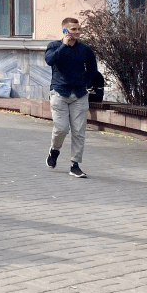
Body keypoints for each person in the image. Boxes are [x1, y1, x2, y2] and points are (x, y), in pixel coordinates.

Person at [45, 16, 98, 178]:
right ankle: (54, 151)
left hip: (79, 94)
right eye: (73, 29)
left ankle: (75, 164)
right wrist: (63, 46)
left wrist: (86, 83)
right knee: (61, 128)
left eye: (78, 29)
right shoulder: (54, 46)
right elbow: (49, 61)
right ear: (64, 30)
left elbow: (92, 69)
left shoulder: (85, 49)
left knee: (79, 131)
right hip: (59, 92)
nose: (77, 32)